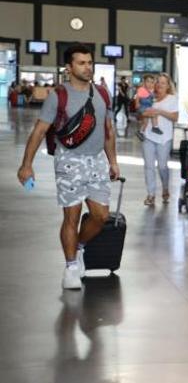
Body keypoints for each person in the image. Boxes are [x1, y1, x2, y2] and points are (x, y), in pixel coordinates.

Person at [16, 43, 119, 290]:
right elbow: (39, 131)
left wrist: (113, 161)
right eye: (82, 63)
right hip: (68, 160)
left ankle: (80, 247)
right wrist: (26, 165)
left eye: (90, 62)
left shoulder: (103, 94)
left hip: (96, 160)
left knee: (101, 216)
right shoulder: (58, 96)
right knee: (71, 217)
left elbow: (108, 131)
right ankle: (71, 266)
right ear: (69, 67)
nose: (87, 67)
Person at [140, 73, 178, 206]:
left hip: (164, 137)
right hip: (149, 135)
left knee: (162, 166)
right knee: (149, 166)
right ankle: (151, 194)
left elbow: (175, 117)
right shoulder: (150, 97)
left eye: (163, 83)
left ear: (168, 86)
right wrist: (148, 113)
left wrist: (160, 112)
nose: (160, 85)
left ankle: (165, 188)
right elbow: (141, 112)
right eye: (158, 82)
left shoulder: (172, 99)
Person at [134, 75, 157, 140]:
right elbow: (137, 97)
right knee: (152, 115)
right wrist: (137, 103)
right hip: (143, 107)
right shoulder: (142, 90)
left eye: (152, 82)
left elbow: (154, 98)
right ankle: (154, 127)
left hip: (148, 107)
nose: (150, 84)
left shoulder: (152, 91)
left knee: (145, 122)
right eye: (148, 82)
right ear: (144, 82)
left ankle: (141, 132)